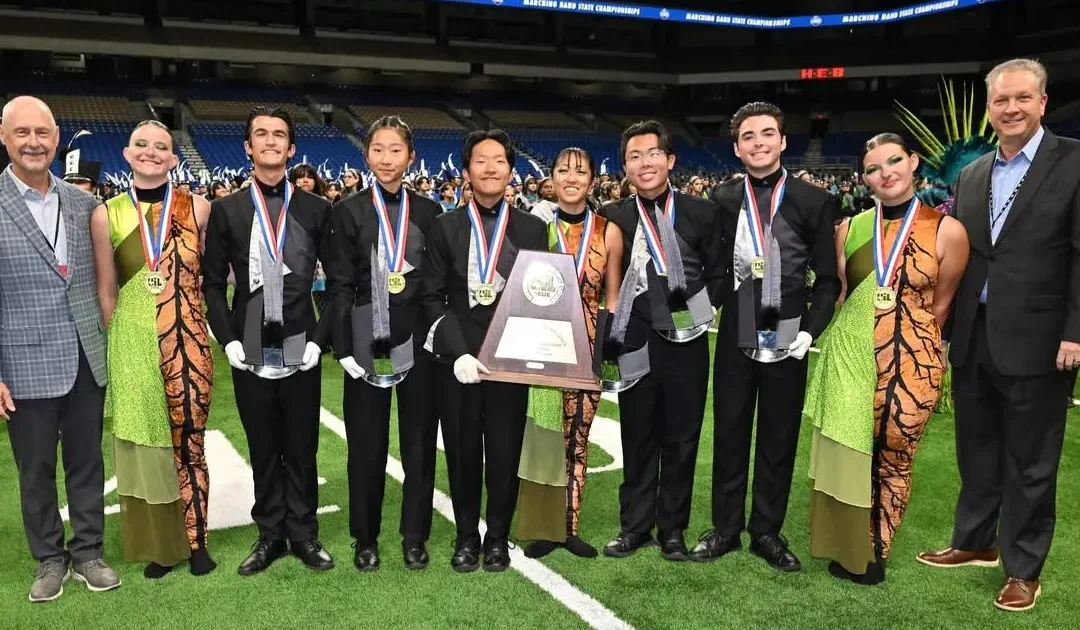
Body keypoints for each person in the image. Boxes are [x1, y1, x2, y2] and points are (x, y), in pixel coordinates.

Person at [916, 58, 1080, 612]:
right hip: (974, 332)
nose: (1010, 109)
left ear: (1042, 101)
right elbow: (960, 257)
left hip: (1041, 337)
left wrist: (1075, 331)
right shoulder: (973, 172)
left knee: (1032, 459)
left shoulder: (1075, 162)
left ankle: (1024, 567)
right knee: (977, 446)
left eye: (1021, 99)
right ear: (989, 110)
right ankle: (975, 541)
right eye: (1000, 101)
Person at [804, 133, 969, 585]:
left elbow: (940, 306)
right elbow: (842, 296)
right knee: (853, 451)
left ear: (913, 162)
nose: (886, 173)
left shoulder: (947, 230)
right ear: (865, 178)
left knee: (895, 455)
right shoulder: (850, 228)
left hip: (912, 360)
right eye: (874, 168)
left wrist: (906, 345)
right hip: (851, 357)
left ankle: (876, 547)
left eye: (894, 161)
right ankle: (848, 542)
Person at [693, 102, 840, 571]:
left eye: (767, 133)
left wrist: (811, 331)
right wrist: (690, 315)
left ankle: (767, 532)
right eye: (749, 136)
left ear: (782, 141)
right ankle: (725, 528)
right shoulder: (721, 199)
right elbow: (714, 273)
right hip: (735, 334)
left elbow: (829, 281)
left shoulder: (813, 200)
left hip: (789, 336)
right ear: (737, 148)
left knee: (779, 437)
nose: (758, 142)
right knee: (731, 433)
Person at [202, 106, 335, 575]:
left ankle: (304, 533)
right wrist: (228, 339)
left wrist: (321, 339)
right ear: (248, 147)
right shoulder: (227, 210)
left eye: (280, 135)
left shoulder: (318, 209)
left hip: (303, 341)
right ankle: (269, 535)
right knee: (262, 444)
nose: (271, 141)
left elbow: (339, 283)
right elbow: (213, 283)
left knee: (300, 445)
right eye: (261, 134)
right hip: (250, 344)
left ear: (292, 148)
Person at [0, 95, 120, 601]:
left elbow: (100, 283)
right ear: (4, 137)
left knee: (87, 461)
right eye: (22, 132)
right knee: (35, 469)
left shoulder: (83, 203)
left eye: (42, 133)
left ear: (56, 136)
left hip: (84, 357)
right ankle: (50, 557)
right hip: (22, 363)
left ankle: (89, 551)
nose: (33, 142)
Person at [90, 119, 217, 579]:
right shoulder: (107, 213)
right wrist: (124, 341)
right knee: (148, 447)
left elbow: (208, 277)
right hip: (132, 342)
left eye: (160, 147)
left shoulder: (198, 208)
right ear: (126, 154)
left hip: (186, 339)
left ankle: (197, 539)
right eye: (141, 145)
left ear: (173, 157)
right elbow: (107, 291)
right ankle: (163, 546)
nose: (150, 152)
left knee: (190, 441)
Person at [418, 129, 547, 572]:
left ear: (511, 170)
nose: (490, 168)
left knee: (506, 450)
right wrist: (456, 354)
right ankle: (466, 536)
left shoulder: (533, 228)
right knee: (462, 450)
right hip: (459, 362)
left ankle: (497, 537)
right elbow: (431, 297)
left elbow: (540, 299)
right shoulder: (444, 226)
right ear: (467, 169)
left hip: (510, 361)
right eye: (481, 160)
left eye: (499, 161)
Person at [602, 121, 723, 560]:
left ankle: (672, 527)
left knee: (681, 436)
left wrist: (693, 312)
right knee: (637, 434)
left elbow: (719, 275)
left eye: (652, 153)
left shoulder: (701, 213)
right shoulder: (612, 217)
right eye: (634, 156)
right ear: (625, 167)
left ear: (670, 160)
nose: (644, 163)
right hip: (633, 339)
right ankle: (634, 526)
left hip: (686, 342)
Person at [327, 116, 442, 572]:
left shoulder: (432, 213)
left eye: (396, 149)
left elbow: (437, 286)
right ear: (366, 154)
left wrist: (435, 339)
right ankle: (365, 537)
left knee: (419, 444)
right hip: (364, 338)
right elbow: (338, 286)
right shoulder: (347, 211)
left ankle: (415, 536)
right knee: (367, 445)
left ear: (411, 156)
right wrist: (343, 347)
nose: (386, 158)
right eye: (378, 149)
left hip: (418, 341)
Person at [515, 147, 624, 559]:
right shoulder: (534, 228)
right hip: (539, 349)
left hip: (587, 348)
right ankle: (542, 526)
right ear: (552, 180)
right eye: (563, 170)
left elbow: (611, 298)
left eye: (581, 172)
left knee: (577, 440)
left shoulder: (608, 231)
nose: (571, 178)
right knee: (543, 439)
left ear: (593, 180)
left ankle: (569, 528)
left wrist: (605, 352)